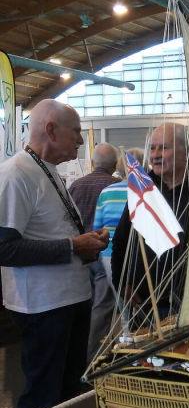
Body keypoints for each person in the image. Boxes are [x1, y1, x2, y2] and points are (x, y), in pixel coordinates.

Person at [0, 99, 108, 408]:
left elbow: (49, 230)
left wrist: (85, 243)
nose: (79, 139)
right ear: (50, 130)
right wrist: (74, 246)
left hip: (69, 302)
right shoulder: (15, 175)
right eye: (75, 131)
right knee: (42, 400)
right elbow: (5, 248)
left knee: (67, 396)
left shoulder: (48, 171)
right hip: (44, 309)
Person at [111, 124, 189, 324]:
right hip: (145, 304)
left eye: (163, 148)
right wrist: (122, 284)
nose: (155, 155)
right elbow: (121, 241)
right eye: (152, 148)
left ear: (185, 151)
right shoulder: (143, 190)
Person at [70, 143, 120, 358]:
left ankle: (81, 353)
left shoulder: (75, 186)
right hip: (105, 255)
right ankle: (94, 356)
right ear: (114, 165)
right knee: (102, 307)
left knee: (83, 307)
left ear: (92, 163)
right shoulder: (117, 186)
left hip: (80, 256)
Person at [92, 147, 145, 285]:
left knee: (119, 301)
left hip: (109, 256)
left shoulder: (106, 192)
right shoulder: (148, 193)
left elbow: (97, 228)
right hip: (140, 258)